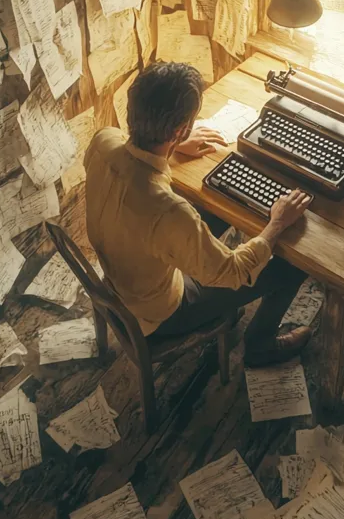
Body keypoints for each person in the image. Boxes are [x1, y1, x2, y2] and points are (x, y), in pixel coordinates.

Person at [84, 62, 313, 366]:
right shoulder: (168, 210)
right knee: (292, 266)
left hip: (121, 271)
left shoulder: (103, 140)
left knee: (208, 206)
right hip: (161, 314)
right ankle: (260, 344)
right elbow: (235, 272)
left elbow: (133, 175)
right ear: (181, 129)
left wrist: (174, 150)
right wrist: (276, 224)